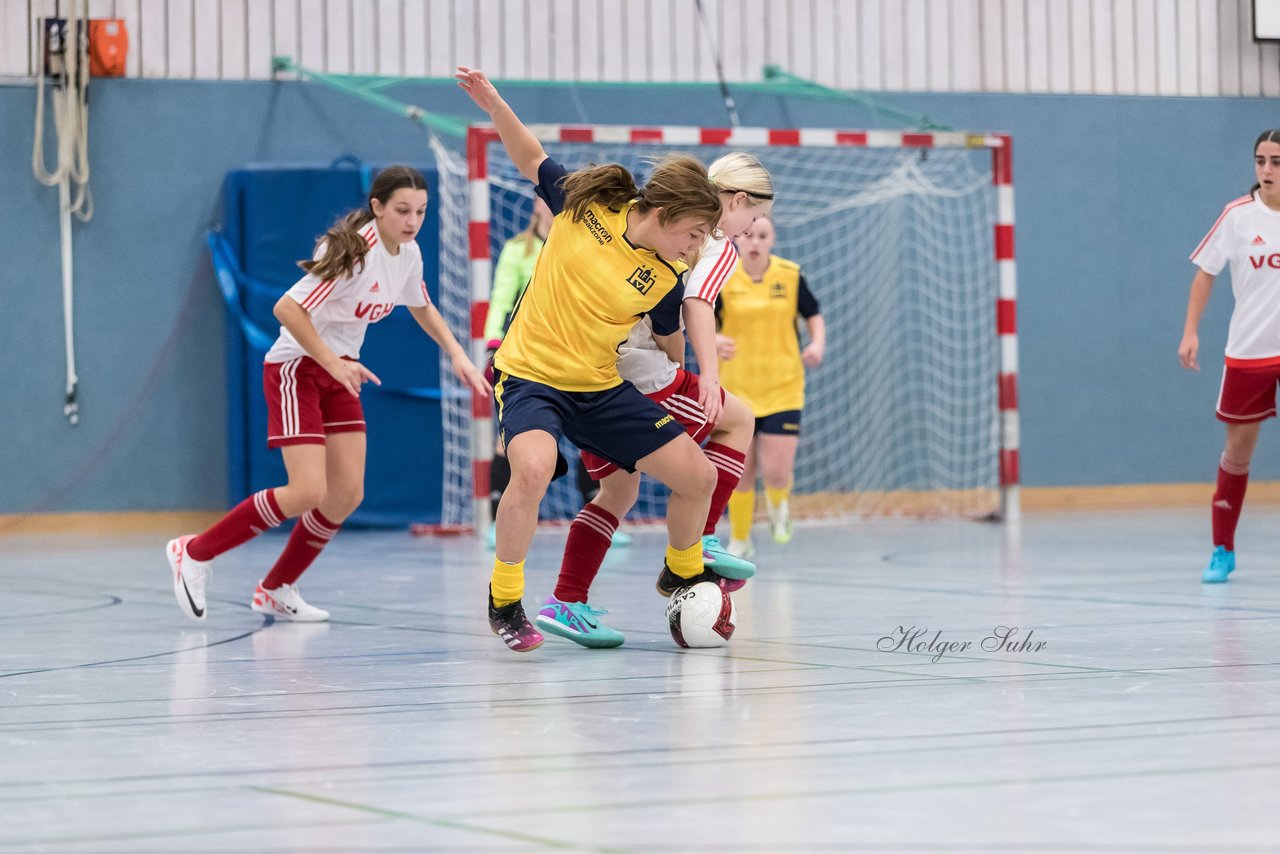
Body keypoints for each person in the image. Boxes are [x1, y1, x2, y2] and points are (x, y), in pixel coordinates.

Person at [456, 66, 752, 653]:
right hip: (530, 378)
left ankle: (682, 568)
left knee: (698, 476)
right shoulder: (585, 206)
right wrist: (493, 104)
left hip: (599, 386)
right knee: (534, 469)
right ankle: (506, 597)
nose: (696, 248)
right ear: (665, 216)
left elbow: (670, 340)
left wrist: (692, 369)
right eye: (694, 234)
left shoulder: (669, 275)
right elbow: (530, 155)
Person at [165, 166, 490, 622]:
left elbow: (422, 306)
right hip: (296, 368)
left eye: (420, 211)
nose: (412, 220)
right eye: (401, 210)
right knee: (306, 490)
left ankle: (276, 588)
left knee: (346, 494)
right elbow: (287, 309)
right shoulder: (350, 253)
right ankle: (194, 552)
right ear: (377, 207)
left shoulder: (408, 254)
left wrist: (457, 354)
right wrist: (332, 360)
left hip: (338, 375)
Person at [536, 152, 776, 649]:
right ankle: (699, 545)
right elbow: (694, 303)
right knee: (738, 420)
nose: (748, 231)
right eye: (751, 220)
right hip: (644, 379)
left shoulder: (648, 216)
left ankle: (567, 600)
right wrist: (707, 373)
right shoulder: (713, 239)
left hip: (597, 375)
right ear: (735, 202)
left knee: (618, 494)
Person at [482, 198, 633, 548]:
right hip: (527, 354)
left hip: (576, 351)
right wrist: (493, 342)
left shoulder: (584, 243)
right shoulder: (518, 250)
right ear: (536, 202)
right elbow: (501, 298)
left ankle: (597, 516)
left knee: (590, 435)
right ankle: (496, 520)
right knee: (511, 440)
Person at [1179, 129, 1280, 583]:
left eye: (1276, 162)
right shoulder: (1237, 216)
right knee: (1238, 451)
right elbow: (1205, 273)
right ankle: (1223, 548)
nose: (1267, 170)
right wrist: (1190, 332)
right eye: (1261, 161)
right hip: (1249, 351)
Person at [717, 215, 825, 557]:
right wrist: (715, 339)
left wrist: (817, 343)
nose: (754, 242)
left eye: (762, 236)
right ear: (737, 239)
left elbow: (813, 313)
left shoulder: (790, 275)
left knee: (777, 471)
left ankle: (780, 508)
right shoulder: (722, 277)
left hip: (783, 386)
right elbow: (698, 318)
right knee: (740, 472)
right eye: (748, 235)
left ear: (772, 239)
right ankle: (740, 538)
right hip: (736, 389)